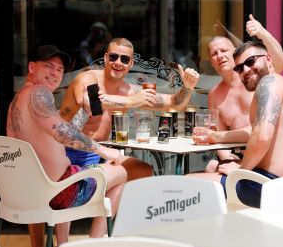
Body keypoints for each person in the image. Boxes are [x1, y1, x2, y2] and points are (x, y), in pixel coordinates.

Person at [6, 45, 127, 247]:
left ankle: (59, 245)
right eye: (49, 66)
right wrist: (104, 151)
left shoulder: (18, 99)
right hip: (58, 193)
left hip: (25, 192)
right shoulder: (38, 93)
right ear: (32, 67)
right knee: (121, 170)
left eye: (60, 70)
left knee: (72, 168)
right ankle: (93, 246)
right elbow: (62, 131)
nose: (55, 74)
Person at [60, 37, 200, 180]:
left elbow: (174, 102)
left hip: (100, 154)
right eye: (114, 57)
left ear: (131, 63)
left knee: (143, 170)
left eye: (125, 59)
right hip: (68, 151)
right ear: (106, 57)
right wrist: (132, 101)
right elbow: (91, 101)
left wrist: (188, 86)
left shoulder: (129, 91)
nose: (118, 63)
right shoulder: (87, 78)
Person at [190, 40, 283, 207]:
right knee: (210, 172)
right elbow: (258, 133)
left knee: (185, 185)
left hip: (269, 187)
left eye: (250, 62)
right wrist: (216, 137)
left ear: (267, 59)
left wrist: (240, 171)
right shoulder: (279, 83)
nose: (245, 70)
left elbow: (262, 137)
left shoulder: (269, 84)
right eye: (239, 68)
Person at [198, 14, 283, 172]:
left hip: (266, 156)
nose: (219, 56)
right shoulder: (215, 95)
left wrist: (263, 34)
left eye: (224, 50)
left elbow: (279, 62)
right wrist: (227, 160)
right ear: (210, 61)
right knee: (211, 167)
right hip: (240, 157)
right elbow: (218, 135)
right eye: (214, 53)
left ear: (234, 54)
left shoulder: (255, 79)